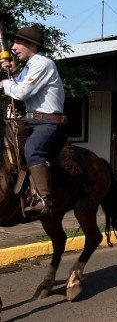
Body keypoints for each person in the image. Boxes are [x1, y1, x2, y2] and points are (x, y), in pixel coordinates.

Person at [1, 26, 66, 219]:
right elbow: (19, 84)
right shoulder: (30, 65)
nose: (13, 47)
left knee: (32, 151)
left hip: (49, 123)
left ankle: (44, 199)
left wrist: (5, 83)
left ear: (32, 45)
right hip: (30, 121)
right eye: (12, 43)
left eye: (17, 43)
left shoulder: (44, 64)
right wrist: (12, 73)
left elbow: (21, 93)